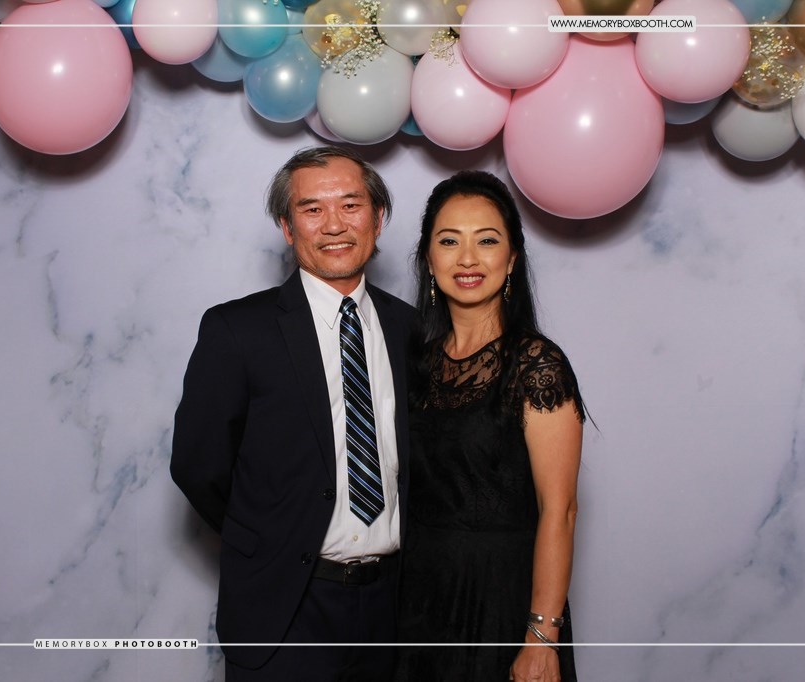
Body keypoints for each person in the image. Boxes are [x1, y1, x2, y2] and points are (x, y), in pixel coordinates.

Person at [170, 145, 417, 681]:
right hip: (283, 608)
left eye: (350, 205)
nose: (334, 225)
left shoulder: (412, 330)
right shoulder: (237, 331)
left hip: (393, 611)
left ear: (378, 218)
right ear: (287, 227)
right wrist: (268, 536)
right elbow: (198, 465)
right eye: (311, 209)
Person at [395, 170, 585, 682]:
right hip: (416, 599)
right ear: (428, 258)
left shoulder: (536, 364)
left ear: (512, 258)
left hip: (502, 601)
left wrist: (541, 637)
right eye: (448, 241)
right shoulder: (415, 363)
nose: (467, 258)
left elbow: (561, 510)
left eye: (486, 241)